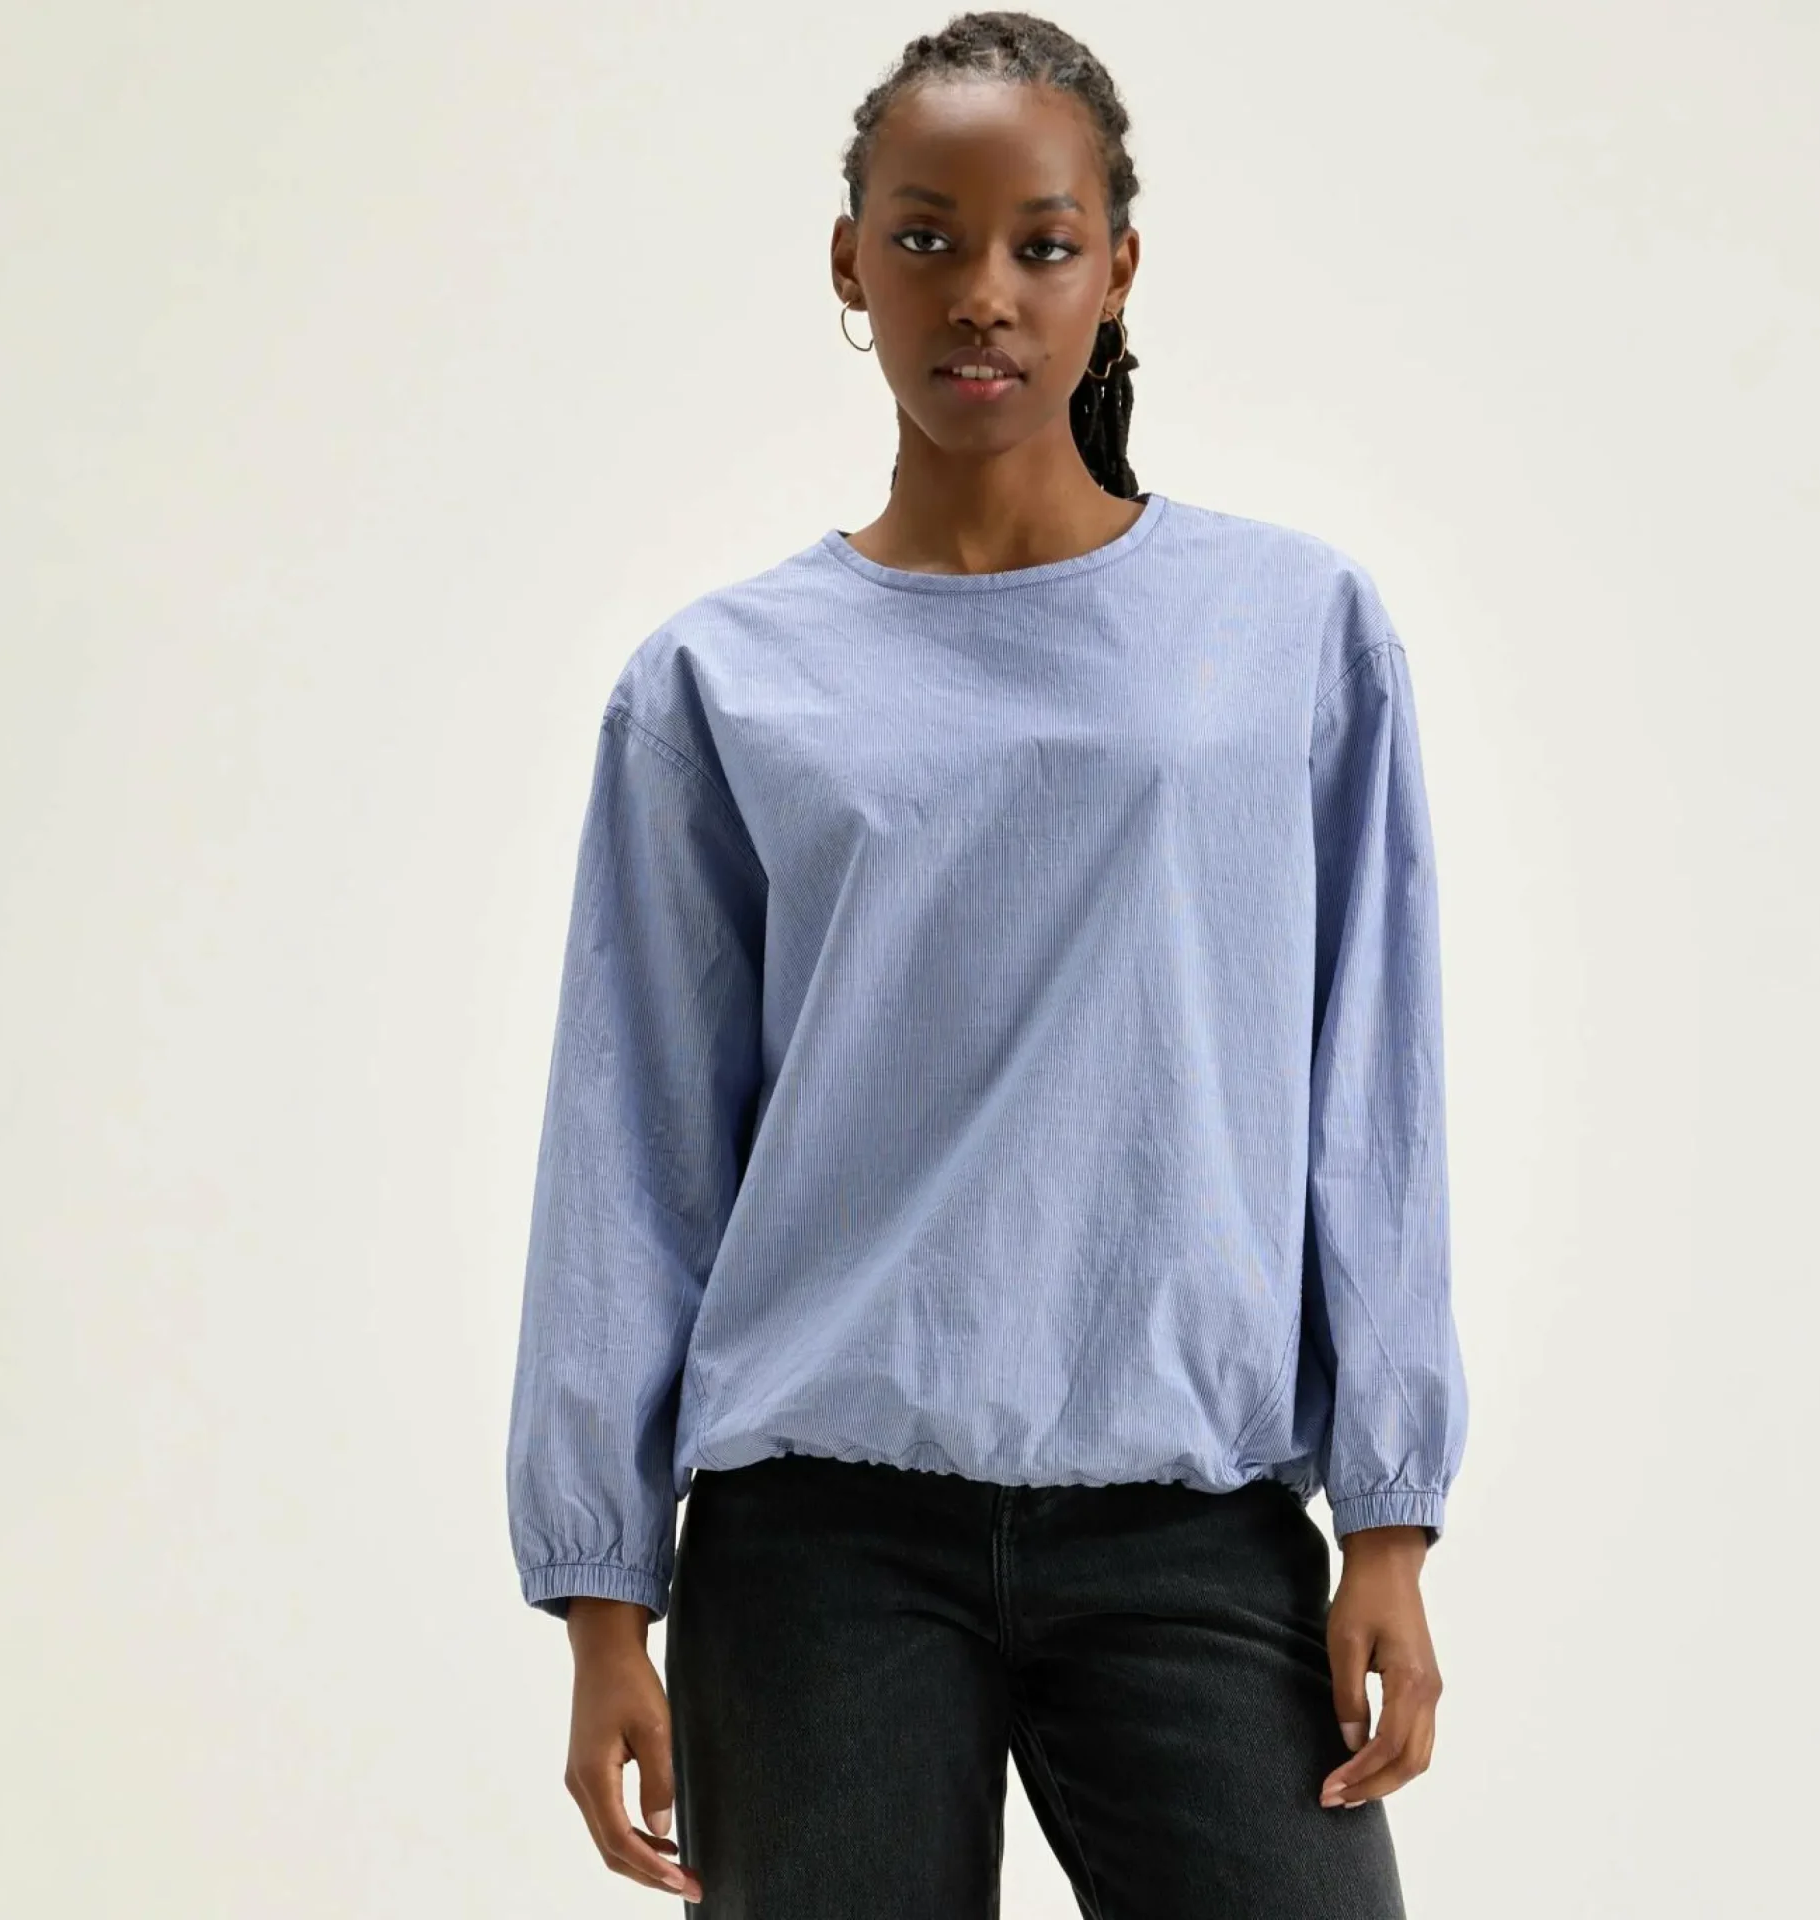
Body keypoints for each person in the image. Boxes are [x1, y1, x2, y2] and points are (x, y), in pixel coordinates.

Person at [504, 13, 1467, 1915]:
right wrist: (604, 1600)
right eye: (927, 237)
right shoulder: (720, 683)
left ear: (1120, 268)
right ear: (848, 262)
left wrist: (1392, 1517)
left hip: (1189, 1521)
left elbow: (1375, 1088)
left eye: (1043, 243)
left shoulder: (1287, 630)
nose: (984, 294)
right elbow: (632, 1148)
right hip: (819, 1539)